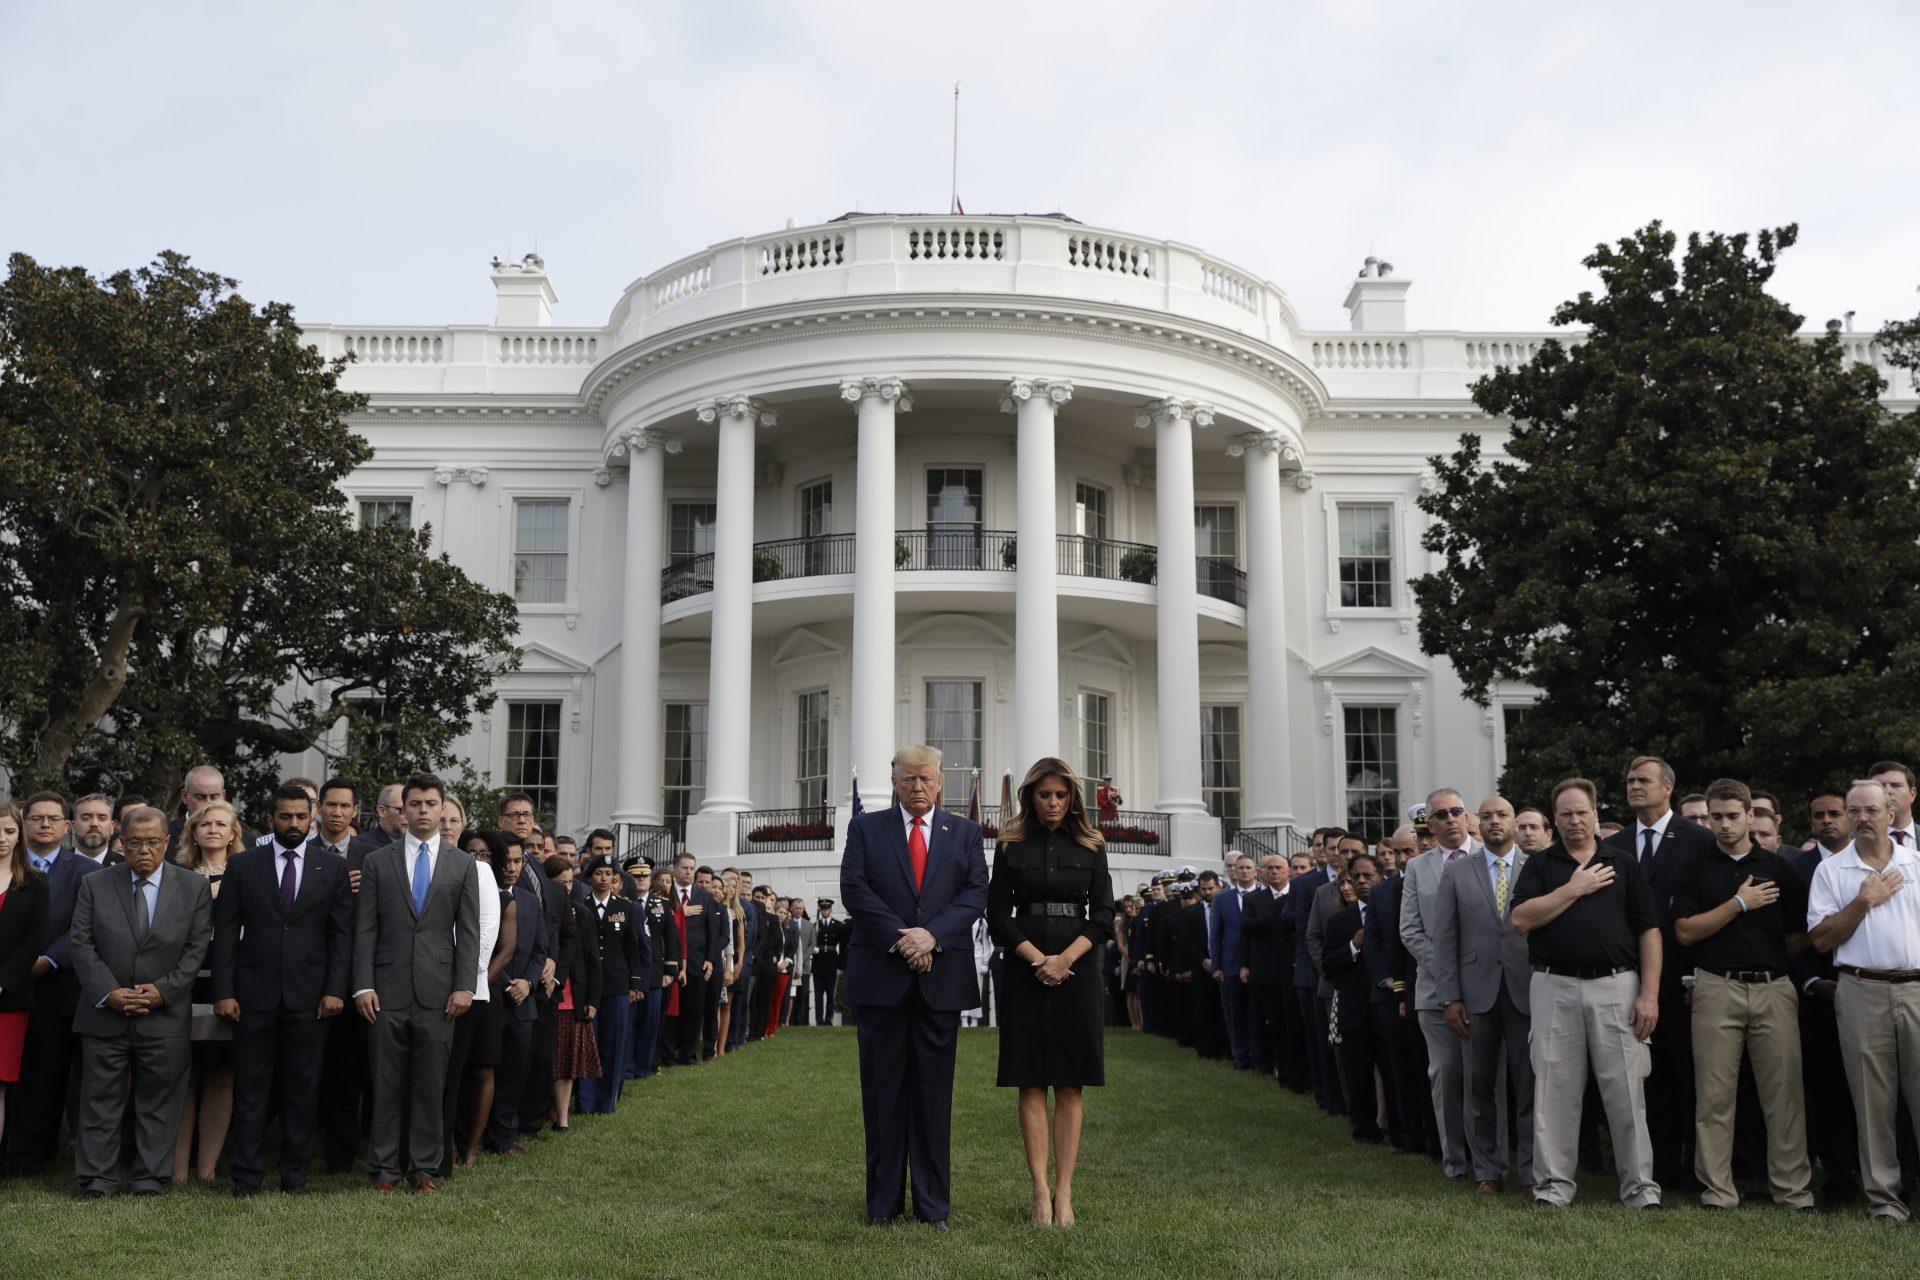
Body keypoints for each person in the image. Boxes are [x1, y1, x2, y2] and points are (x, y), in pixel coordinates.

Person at [840, 744, 988, 1229]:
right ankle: (882, 1205)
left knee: (933, 1097)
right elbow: (855, 888)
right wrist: (904, 939)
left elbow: (975, 893)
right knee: (882, 1094)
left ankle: (933, 1207)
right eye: (908, 780)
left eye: (926, 779)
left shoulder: (964, 832)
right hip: (882, 976)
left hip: (939, 979)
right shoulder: (866, 827)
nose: (918, 787)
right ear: (894, 780)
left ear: (941, 781)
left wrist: (933, 935)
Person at [1511, 777, 1663, 1209]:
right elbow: (1521, 920)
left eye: (1581, 812)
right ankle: (1553, 1189)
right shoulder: (1540, 866)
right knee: (1553, 1092)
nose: (1574, 820)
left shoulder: (1624, 863)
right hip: (1554, 986)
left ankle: (1640, 1191)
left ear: (1596, 815)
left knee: (1627, 1093)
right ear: (1554, 820)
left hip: (1617, 986)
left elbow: (1649, 930)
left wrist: (1649, 994)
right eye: (1565, 814)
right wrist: (1572, 889)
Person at [1670, 778, 1813, 1211]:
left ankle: (1793, 1192)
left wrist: (1767, 956)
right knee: (1713, 1097)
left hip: (1773, 988)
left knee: (1784, 1095)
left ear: (1751, 815)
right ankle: (1717, 1191)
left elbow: (1799, 937)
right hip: (1716, 985)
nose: (1724, 825)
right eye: (1716, 817)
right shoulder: (1694, 866)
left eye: (1733, 816)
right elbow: (1685, 932)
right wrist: (1739, 903)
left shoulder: (1781, 868)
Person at [986, 756, 1115, 1227]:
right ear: (1030, 797)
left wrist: (1065, 960)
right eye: (1045, 795)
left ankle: (1065, 1194)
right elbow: (997, 912)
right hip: (1026, 968)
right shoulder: (1010, 843)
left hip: (1077, 968)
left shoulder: (1092, 844)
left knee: (1070, 1080)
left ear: (1073, 796)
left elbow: (1103, 913)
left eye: (1061, 795)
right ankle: (1040, 1192)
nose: (1054, 803)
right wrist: (1038, 959)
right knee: (1031, 1078)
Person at [211, 783, 353, 1197]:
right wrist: (224, 991)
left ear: (312, 819)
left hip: (311, 999)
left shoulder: (332, 867)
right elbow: (223, 934)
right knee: (251, 1090)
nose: (294, 824)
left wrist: (335, 991)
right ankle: (246, 1176)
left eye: (301, 817)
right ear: (271, 820)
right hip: (251, 996)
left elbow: (340, 937)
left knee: (302, 1090)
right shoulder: (243, 865)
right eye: (285, 817)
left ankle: (295, 1177)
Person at [68, 806, 214, 1197]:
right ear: (121, 841)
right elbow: (80, 943)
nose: (144, 851)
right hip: (104, 1013)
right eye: (134, 843)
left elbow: (196, 949)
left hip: (164, 1016)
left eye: (152, 842)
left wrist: (164, 990)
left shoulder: (193, 888)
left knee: (160, 1103)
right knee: (100, 1103)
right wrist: (108, 992)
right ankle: (97, 1180)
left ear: (167, 842)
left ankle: (150, 1179)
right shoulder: (95, 884)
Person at [351, 772, 481, 1194]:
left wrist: (464, 986)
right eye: (415, 804)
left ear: (443, 809)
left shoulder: (463, 864)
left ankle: (425, 1168)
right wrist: (362, 985)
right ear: (401, 810)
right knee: (385, 1081)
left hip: (439, 991)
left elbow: (470, 931)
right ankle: (385, 1169)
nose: (423, 811)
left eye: (430, 804)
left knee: (430, 1083)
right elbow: (365, 929)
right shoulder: (377, 862)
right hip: (385, 991)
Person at [1807, 780, 1920, 1222]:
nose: (1861, 819)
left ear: (1891, 815)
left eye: (1871, 810)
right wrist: (1863, 901)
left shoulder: (1916, 862)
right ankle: (1885, 1202)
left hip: (1916, 987)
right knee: (1872, 1101)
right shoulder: (1832, 871)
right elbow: (1820, 940)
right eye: (1853, 811)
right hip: (1860, 989)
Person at [1602, 755, 1714, 1193]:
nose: (1634, 787)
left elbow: (1706, 908)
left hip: (1685, 977)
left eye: (1643, 780)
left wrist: (1700, 974)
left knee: (1692, 1077)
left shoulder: (1698, 839)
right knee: (1651, 1079)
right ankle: (1661, 1167)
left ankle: (1699, 1167)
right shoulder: (1617, 843)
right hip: (1632, 977)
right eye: (1630, 780)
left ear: (1668, 787)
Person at [1427, 795, 1534, 1197]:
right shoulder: (1457, 872)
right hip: (1475, 995)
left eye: (1502, 815)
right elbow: (1445, 939)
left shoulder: (1536, 867)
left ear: (1515, 823)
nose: (1494, 822)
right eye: (1486, 816)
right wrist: (1450, 997)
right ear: (1476, 823)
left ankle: (1531, 1171)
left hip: (1527, 989)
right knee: (1479, 1085)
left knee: (1530, 1084)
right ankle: (1488, 1170)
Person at [9, 791, 105, 1177]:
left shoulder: (83, 872)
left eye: (53, 818)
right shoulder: (8, 865)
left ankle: (33, 1157)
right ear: (24, 824)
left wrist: (48, 960)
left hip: (57, 989)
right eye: (36, 818)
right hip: (8, 987)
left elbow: (81, 927)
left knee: (47, 1077)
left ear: (67, 826)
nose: (44, 824)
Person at [1398, 787, 1479, 1181]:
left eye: (1456, 812)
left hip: (1487, 988)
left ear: (1468, 817)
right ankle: (1455, 1162)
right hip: (1434, 993)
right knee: (1446, 1075)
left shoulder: (1490, 858)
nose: (1450, 819)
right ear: (1429, 824)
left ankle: (1490, 1159)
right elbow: (1410, 930)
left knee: (1486, 1076)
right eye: (1441, 815)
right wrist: (1448, 970)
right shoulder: (1417, 868)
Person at [1790, 787, 1860, 1209]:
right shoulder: (1796, 870)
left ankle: (1887, 1175)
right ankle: (1838, 1178)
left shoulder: (1876, 863)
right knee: (1828, 1090)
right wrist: (1812, 983)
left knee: (1878, 1091)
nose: (1828, 820)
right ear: (1810, 821)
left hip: (1870, 987)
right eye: (1819, 815)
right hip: (1818, 996)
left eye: (1836, 813)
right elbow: (1789, 940)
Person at [174, 797, 245, 1185]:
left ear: (234, 832)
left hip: (227, 984)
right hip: (184, 984)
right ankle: (178, 1170)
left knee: (221, 1075)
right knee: (182, 1076)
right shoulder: (176, 875)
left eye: (221, 823)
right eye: (205, 824)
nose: (213, 829)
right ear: (193, 833)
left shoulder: (248, 873)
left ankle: (208, 1168)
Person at [483, 836, 545, 1151]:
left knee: (515, 1073)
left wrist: (529, 983)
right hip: (490, 996)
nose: (511, 868)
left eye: (518, 861)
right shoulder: (480, 894)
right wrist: (509, 982)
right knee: (482, 1073)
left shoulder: (530, 899)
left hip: (524, 1002)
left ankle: (504, 1136)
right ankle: (475, 1135)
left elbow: (540, 948)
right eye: (505, 860)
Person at [577, 853, 644, 1113]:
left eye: (609, 875)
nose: (604, 879)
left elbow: (632, 946)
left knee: (613, 1043)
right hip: (589, 986)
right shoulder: (581, 905)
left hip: (617, 984)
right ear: (589, 877)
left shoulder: (626, 907)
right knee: (588, 1044)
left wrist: (635, 982)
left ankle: (607, 1101)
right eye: (598, 874)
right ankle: (585, 1101)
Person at [0, 803, 49, 1147]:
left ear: (20, 834)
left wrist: (4, 982)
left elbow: (34, 938)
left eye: (8, 831)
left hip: (9, 998)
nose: (1, 839)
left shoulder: (34, 882)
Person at [544, 855, 601, 1133]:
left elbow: (593, 960)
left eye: (570, 883)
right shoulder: (539, 909)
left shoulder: (584, 914)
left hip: (573, 999)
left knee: (566, 1064)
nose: (566, 888)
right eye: (559, 883)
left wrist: (592, 1000)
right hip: (545, 998)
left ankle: (563, 1117)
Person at [1238, 853, 1303, 1092]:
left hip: (1293, 968)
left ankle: (1297, 1072)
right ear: (1262, 872)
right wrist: (1277, 915)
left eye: (1279, 868)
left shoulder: (1297, 896)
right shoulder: (1254, 899)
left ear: (1288, 872)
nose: (1274, 872)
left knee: (1294, 1024)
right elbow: (1246, 927)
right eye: (1269, 868)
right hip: (1266, 970)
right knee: (1273, 1023)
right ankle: (1280, 1069)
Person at [666, 852, 724, 1066]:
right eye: (684, 868)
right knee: (671, 1013)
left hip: (698, 963)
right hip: (671, 961)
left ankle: (688, 1055)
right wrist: (681, 912)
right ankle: (668, 1054)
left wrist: (711, 959)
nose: (688, 872)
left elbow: (713, 931)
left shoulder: (704, 896)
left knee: (694, 1012)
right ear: (675, 869)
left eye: (692, 868)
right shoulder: (666, 892)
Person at [1868, 761, 1918, 848]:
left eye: (1895, 785)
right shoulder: (1850, 843)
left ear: (1912, 794)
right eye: (1880, 786)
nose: (1887, 791)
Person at [69, 794, 121, 868]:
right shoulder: (55, 865)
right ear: (73, 826)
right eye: (86, 818)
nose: (94, 823)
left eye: (102, 818)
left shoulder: (127, 867)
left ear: (112, 827)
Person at [814, 899, 844, 1026]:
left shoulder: (837, 925)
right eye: (822, 909)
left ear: (830, 909)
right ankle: (819, 1021)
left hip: (832, 962)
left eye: (827, 909)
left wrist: (840, 965)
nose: (825, 911)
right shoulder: (815, 925)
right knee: (818, 996)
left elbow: (841, 945)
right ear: (820, 910)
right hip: (818, 962)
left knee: (830, 996)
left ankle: (828, 1020)